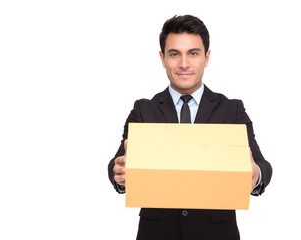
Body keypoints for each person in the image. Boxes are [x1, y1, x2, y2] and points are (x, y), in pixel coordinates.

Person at [108, 15, 272, 240]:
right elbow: (118, 164)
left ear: (206, 57)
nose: (184, 63)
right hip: (157, 233)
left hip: (216, 233)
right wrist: (117, 173)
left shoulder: (231, 109)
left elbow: (262, 165)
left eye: (193, 53)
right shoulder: (144, 110)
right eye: (174, 54)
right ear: (162, 58)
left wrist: (256, 174)